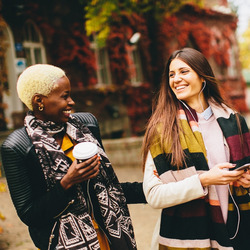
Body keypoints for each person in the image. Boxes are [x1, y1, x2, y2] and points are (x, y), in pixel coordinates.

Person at [1, 64, 146, 250]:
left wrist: (155, 189)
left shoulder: (86, 127)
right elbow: (30, 215)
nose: (71, 102)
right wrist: (67, 182)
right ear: (39, 101)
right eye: (64, 96)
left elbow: (109, 188)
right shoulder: (18, 147)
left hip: (111, 237)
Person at [142, 47, 250, 250]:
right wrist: (203, 181)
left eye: (184, 71)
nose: (176, 79)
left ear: (203, 77)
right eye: (171, 75)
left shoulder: (234, 121)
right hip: (190, 237)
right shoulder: (164, 130)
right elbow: (154, 195)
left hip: (237, 231)